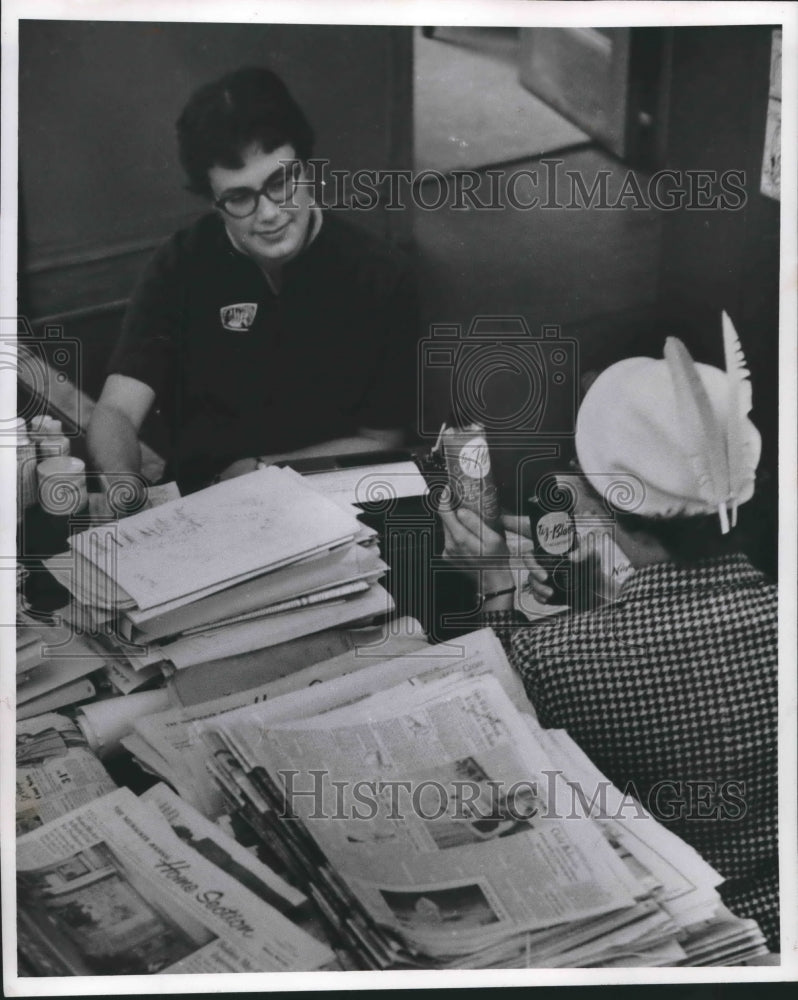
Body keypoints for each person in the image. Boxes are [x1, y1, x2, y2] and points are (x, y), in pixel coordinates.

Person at [438, 330, 779, 951]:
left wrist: (492, 581)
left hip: (666, 932)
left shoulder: (556, 657)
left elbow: (499, 717)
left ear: (598, 502)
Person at [87, 66, 417, 498]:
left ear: (307, 167)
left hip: (333, 496)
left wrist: (263, 469)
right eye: (240, 197)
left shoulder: (380, 275)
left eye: (280, 181)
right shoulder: (180, 263)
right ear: (213, 201)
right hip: (203, 504)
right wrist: (122, 482)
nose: (269, 214)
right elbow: (116, 411)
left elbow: (381, 438)